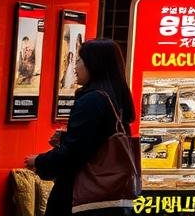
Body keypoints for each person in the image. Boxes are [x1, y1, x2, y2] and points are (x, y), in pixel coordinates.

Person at [26, 39, 138, 216]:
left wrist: (39, 161)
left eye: (79, 61)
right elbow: (98, 142)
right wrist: (65, 139)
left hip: (83, 199)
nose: (75, 67)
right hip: (111, 199)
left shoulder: (92, 100)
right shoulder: (116, 97)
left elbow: (74, 153)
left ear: (93, 64)